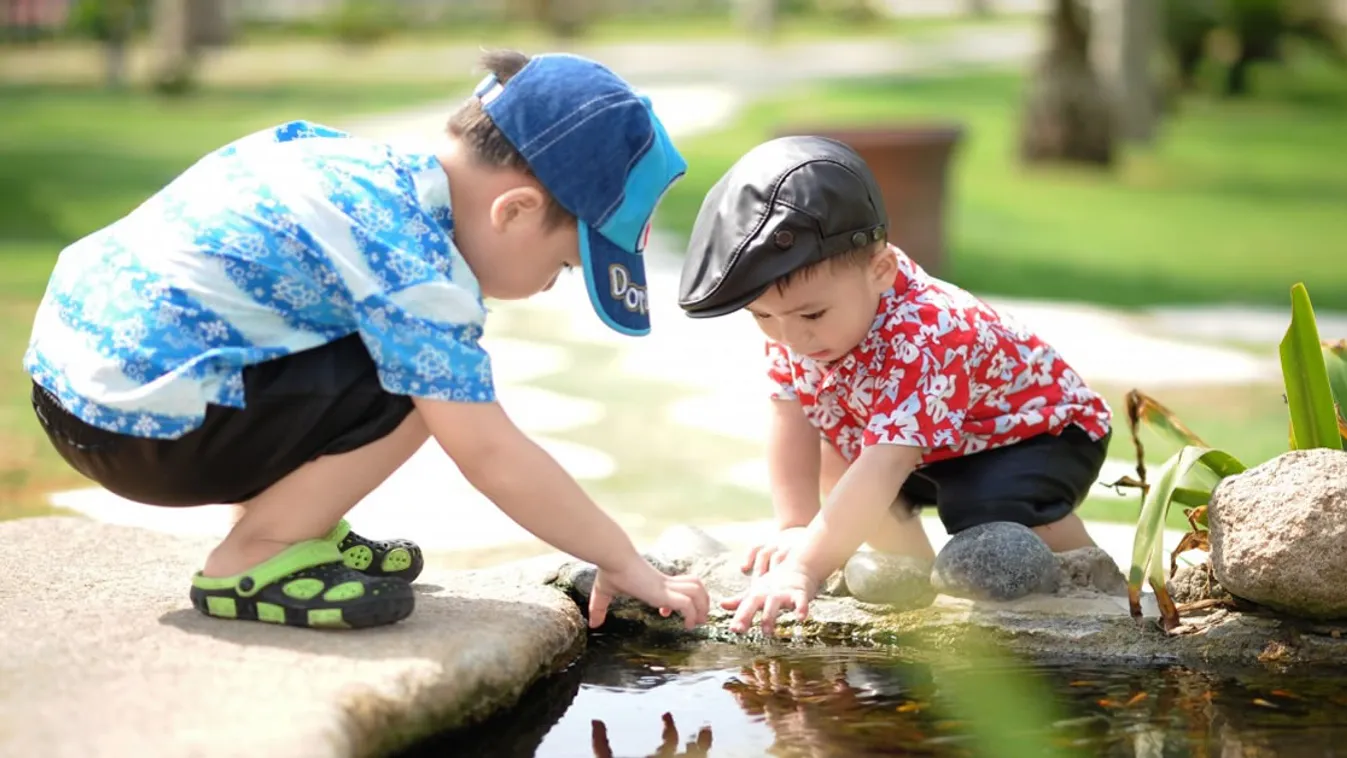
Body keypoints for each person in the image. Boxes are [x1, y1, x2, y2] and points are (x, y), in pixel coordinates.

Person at [24, 50, 709, 632]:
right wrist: (622, 561)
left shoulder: (349, 165)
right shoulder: (415, 266)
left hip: (74, 390)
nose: (545, 287)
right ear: (517, 211)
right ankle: (258, 553)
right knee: (429, 386)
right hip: (141, 435)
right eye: (562, 268)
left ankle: (294, 524)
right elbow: (490, 454)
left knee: (384, 350)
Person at [676, 135, 1113, 636]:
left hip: (1036, 435)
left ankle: (1090, 578)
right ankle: (915, 581)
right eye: (763, 317)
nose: (792, 337)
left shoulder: (927, 330)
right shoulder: (796, 324)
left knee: (984, 510)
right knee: (838, 459)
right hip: (931, 445)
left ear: (880, 270)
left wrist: (804, 568)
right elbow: (790, 417)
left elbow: (888, 462)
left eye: (812, 314)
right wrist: (796, 525)